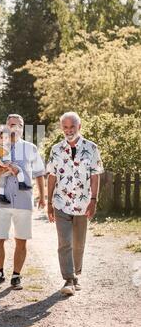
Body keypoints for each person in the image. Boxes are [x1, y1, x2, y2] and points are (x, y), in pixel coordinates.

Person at [0, 114, 46, 290]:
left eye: (19, 125)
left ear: (22, 128)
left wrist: (42, 196)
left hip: (24, 201)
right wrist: (4, 167)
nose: (15, 128)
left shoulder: (30, 148)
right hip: (0, 201)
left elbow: (40, 173)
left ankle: (16, 276)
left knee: (22, 239)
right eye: (11, 124)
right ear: (6, 126)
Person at [46, 112, 104, 296]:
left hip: (82, 202)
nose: (69, 131)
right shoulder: (56, 149)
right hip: (61, 202)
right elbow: (52, 176)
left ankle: (76, 274)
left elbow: (95, 176)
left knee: (78, 242)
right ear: (61, 128)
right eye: (65, 127)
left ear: (79, 127)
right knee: (64, 242)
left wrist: (94, 200)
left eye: (72, 127)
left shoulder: (91, 148)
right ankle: (69, 278)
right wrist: (48, 202)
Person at [0, 126, 31, 205]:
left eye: (6, 137)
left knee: (2, 182)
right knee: (19, 170)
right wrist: (2, 164)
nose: (4, 139)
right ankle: (21, 184)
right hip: (5, 164)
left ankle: (1, 196)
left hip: (4, 166)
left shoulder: (4, 146)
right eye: (1, 137)